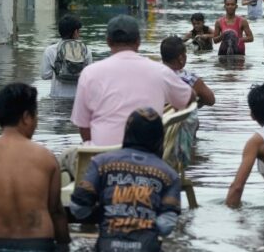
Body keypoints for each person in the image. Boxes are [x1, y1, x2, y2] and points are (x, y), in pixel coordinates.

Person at [0, 83, 71, 251]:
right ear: (26, 117)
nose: (36, 122)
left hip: (0, 243)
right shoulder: (45, 157)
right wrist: (65, 245)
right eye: (36, 115)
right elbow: (56, 211)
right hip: (40, 244)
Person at [70, 15, 194, 146]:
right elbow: (189, 98)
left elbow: (83, 127)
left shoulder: (89, 73)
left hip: (101, 156)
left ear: (108, 41)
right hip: (147, 154)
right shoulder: (160, 71)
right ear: (138, 42)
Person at [70, 108, 181, 252]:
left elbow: (78, 209)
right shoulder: (170, 176)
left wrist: (106, 211)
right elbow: (166, 226)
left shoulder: (101, 163)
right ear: (160, 137)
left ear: (127, 132)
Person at [161, 36, 215, 165]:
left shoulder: (152, 75)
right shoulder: (189, 79)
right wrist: (196, 102)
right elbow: (211, 100)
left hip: (157, 128)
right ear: (181, 58)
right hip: (182, 133)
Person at [40, 15, 92, 99]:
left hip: (57, 96)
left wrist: (60, 72)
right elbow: (89, 76)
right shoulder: (86, 50)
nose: (80, 33)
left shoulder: (50, 50)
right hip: (77, 98)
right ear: (75, 32)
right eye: (79, 31)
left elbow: (44, 75)